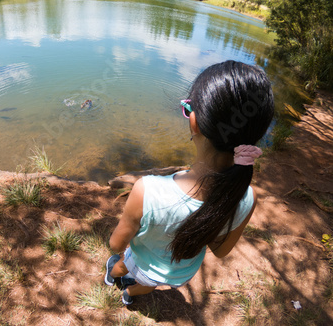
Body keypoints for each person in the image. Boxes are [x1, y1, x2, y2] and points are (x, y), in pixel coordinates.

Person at [104, 60, 274, 305]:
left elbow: (115, 243)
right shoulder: (248, 197)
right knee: (147, 285)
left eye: (188, 107)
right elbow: (221, 250)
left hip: (143, 264)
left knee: (122, 264)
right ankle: (129, 295)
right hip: (180, 275)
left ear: (194, 122)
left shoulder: (148, 190)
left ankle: (112, 277)